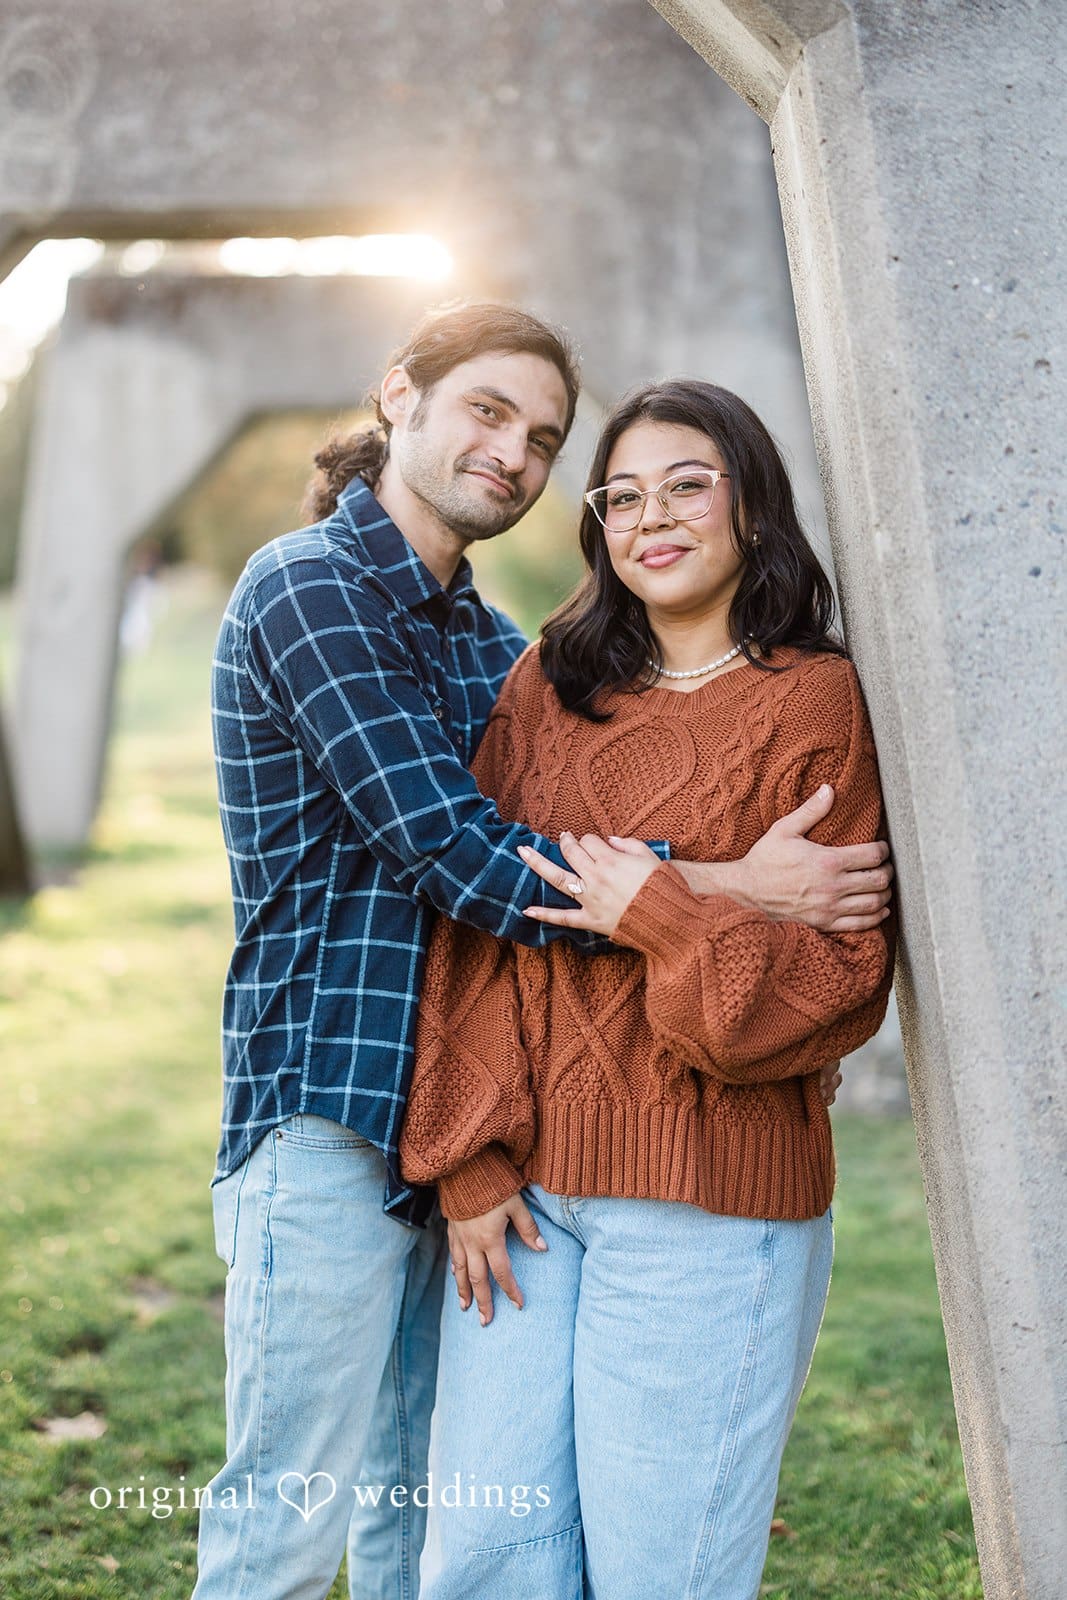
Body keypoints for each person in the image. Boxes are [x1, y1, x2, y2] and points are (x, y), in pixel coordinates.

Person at [196, 302, 893, 1600]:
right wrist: (728, 888)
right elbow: (458, 855)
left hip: (462, 1130)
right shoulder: (308, 588)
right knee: (287, 1521)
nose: (513, 455)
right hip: (331, 1112)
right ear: (398, 394)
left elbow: (554, 860)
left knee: (425, 1528)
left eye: (542, 438)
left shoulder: (502, 652)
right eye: (486, 412)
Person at [400, 379, 896, 1600]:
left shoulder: (812, 699)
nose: (647, 517)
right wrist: (464, 1159)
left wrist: (663, 914)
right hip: (519, 1206)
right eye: (620, 495)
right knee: (481, 1563)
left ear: (750, 508)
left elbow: (836, 981)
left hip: (709, 1210)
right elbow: (474, 930)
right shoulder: (545, 689)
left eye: (685, 485)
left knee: (656, 1574)